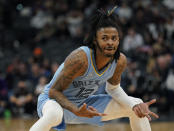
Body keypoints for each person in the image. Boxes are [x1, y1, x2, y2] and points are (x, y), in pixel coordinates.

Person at [30, 7, 159, 131]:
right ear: (95, 41)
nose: (110, 42)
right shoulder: (80, 59)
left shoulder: (120, 60)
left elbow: (113, 89)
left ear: (119, 41)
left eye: (114, 38)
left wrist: (133, 106)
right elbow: (54, 92)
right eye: (104, 38)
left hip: (85, 105)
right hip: (54, 102)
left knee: (137, 105)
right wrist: (75, 109)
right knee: (54, 115)